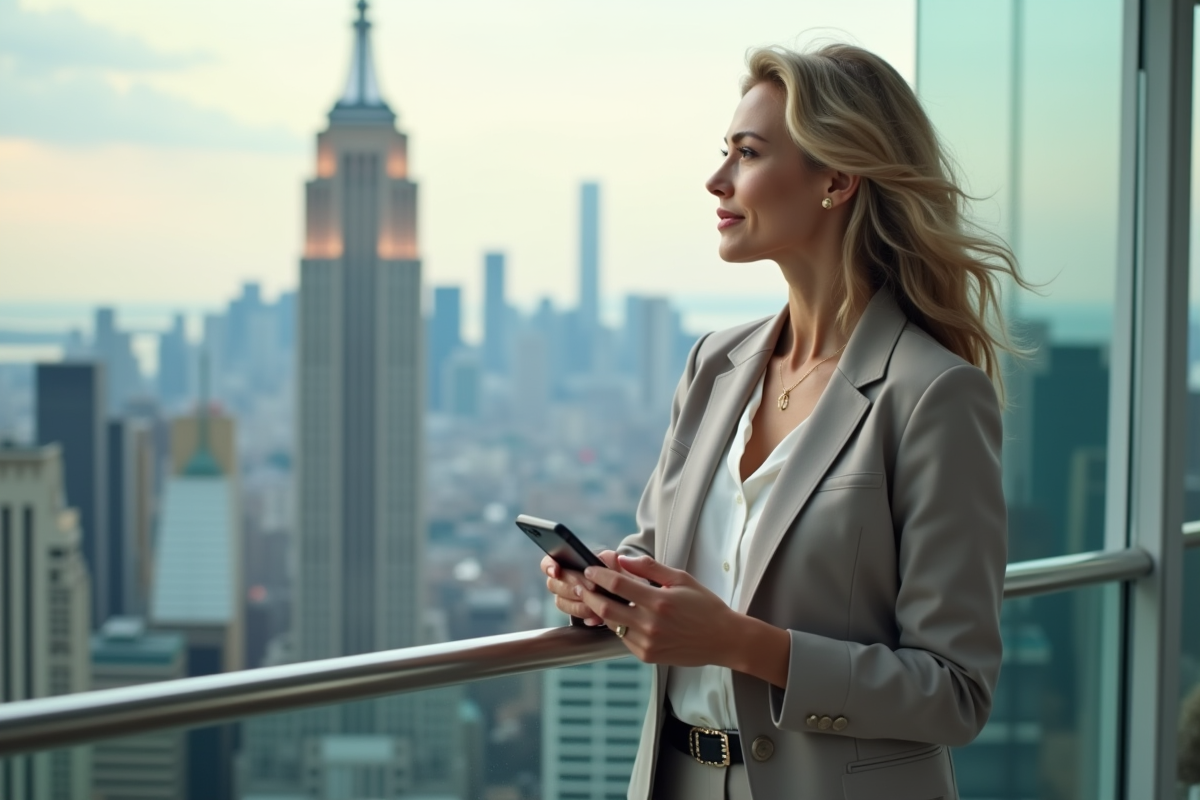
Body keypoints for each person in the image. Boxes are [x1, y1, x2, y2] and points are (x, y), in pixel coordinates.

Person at [542, 43, 1022, 800]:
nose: (717, 179)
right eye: (724, 152)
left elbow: (955, 692)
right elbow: (663, 550)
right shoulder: (715, 365)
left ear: (836, 179)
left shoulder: (934, 396)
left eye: (749, 153)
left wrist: (741, 645)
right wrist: (602, 584)